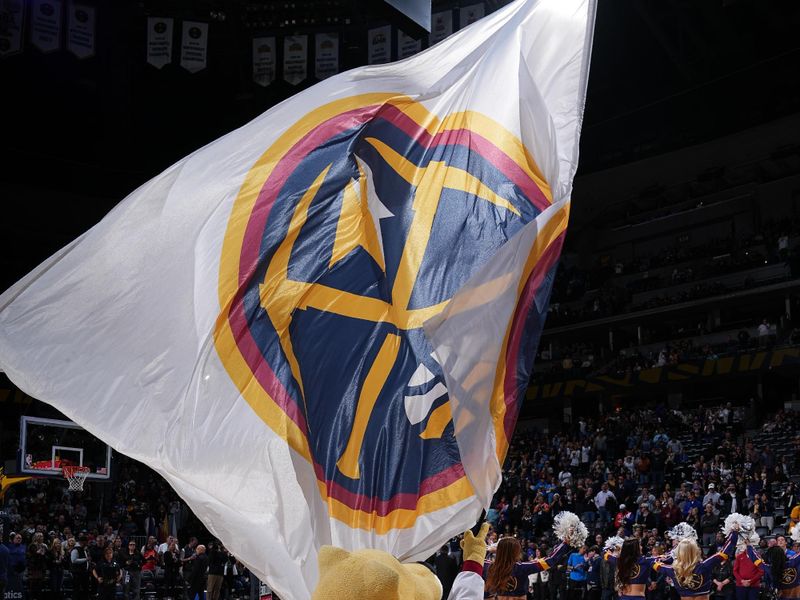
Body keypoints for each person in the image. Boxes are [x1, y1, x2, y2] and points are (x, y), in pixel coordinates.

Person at [654, 529, 738, 599]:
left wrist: (670, 555)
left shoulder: (673, 570)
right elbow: (725, 552)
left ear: (679, 552)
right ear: (696, 551)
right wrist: (734, 531)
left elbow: (654, 562)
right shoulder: (705, 565)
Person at [484, 537, 572, 598]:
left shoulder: (490, 566)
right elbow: (550, 560)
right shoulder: (522, 567)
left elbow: (477, 559)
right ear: (515, 552)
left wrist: (489, 550)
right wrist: (564, 544)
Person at [27, 532, 48, 600]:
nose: (41, 537)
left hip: (42, 568)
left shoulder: (44, 546)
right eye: (39, 536)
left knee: (40, 585)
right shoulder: (32, 545)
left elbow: (47, 557)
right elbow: (29, 556)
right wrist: (37, 553)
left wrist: (43, 554)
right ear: (35, 537)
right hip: (34, 568)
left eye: (41, 536)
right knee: (32, 585)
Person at [70, 535, 91, 600]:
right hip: (77, 574)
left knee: (85, 589)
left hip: (84, 573)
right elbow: (74, 560)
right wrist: (86, 559)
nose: (87, 543)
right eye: (86, 542)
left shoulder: (84, 549)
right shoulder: (75, 549)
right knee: (77, 590)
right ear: (82, 542)